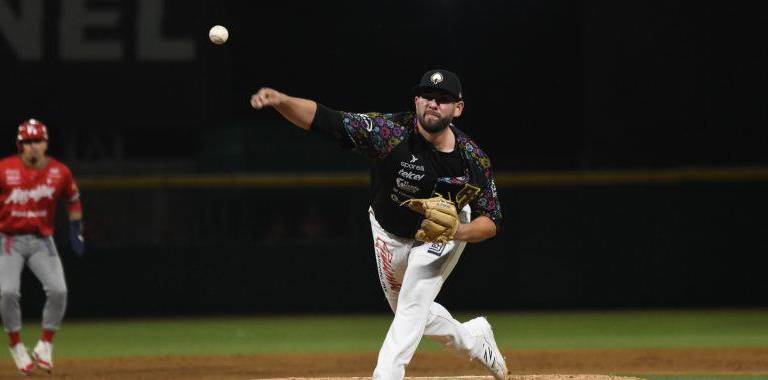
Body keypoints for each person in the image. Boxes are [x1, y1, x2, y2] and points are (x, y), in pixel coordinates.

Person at [251, 69, 508, 380]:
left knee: (413, 303)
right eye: (427, 96)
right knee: (408, 311)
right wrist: (282, 100)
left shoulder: (472, 160)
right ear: (416, 101)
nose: (433, 104)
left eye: (443, 99)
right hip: (388, 230)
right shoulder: (388, 133)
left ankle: (386, 375)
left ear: (458, 108)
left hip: (442, 233)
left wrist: (458, 231)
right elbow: (325, 120)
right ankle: (475, 341)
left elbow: (490, 221)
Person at [0, 119, 84, 375]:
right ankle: (16, 346)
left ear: (46, 143)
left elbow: (73, 198)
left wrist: (75, 230)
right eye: (27, 142)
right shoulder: (4, 169)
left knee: (59, 290)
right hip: (9, 239)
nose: (33, 147)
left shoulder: (60, 172)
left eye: (37, 141)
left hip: (41, 241)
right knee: (7, 293)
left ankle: (45, 344)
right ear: (19, 145)